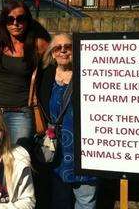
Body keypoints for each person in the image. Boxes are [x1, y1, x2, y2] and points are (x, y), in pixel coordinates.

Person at [38, 33, 97, 209]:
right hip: (56, 150)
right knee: (59, 200)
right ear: (52, 53)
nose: (63, 51)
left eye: (68, 47)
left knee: (86, 199)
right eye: (58, 48)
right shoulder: (46, 75)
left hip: (84, 148)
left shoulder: (89, 72)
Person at [0, 0, 49, 144]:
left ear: (27, 21)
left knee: (19, 158)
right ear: (4, 22)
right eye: (10, 19)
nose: (15, 23)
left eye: (20, 19)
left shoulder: (37, 45)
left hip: (20, 113)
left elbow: (58, 59)